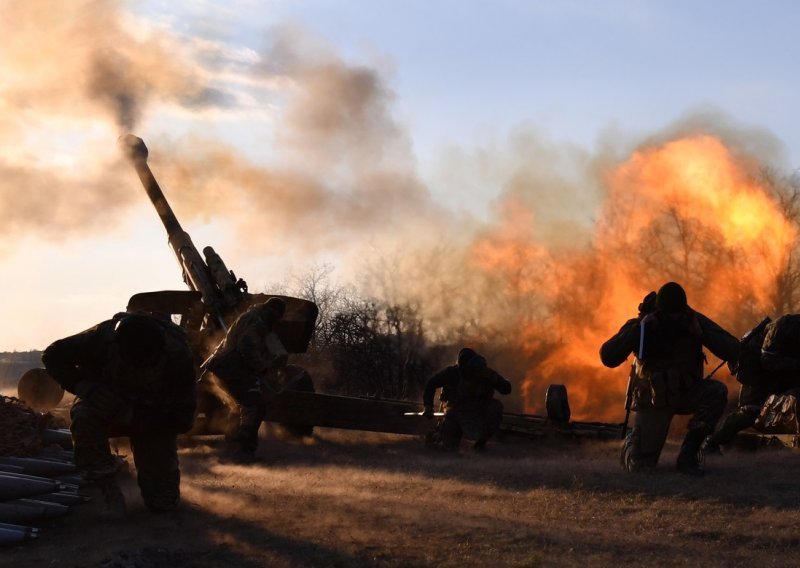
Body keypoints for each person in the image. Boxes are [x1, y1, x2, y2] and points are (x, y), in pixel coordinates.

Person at [41, 312, 197, 517]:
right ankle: (108, 491)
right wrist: (85, 387)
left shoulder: (178, 356)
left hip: (150, 417)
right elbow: (52, 355)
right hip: (105, 405)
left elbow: (183, 419)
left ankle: (158, 490)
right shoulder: (100, 339)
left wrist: (136, 418)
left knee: (163, 503)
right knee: (84, 418)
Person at [599, 282, 739, 476]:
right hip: (654, 399)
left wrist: (702, 334)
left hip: (686, 392)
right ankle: (633, 442)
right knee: (642, 468)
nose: (674, 318)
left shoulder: (692, 320)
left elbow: (734, 350)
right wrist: (639, 331)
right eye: (669, 314)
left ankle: (689, 455)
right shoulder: (644, 323)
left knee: (716, 392)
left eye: (678, 313)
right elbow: (608, 356)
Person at [201, 297, 288, 463]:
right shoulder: (257, 321)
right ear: (274, 312)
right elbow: (246, 347)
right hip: (231, 368)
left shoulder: (252, 316)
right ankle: (241, 452)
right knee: (254, 406)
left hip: (225, 368)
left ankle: (234, 450)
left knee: (240, 407)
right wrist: (262, 367)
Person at [703, 314, 800, 453]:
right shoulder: (783, 326)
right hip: (756, 371)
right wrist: (796, 365)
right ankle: (712, 442)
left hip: (780, 371)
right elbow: (767, 359)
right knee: (749, 413)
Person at [422, 347, 512, 451]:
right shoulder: (453, 373)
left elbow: (506, 389)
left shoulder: (486, 373)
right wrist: (428, 406)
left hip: (479, 411)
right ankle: (442, 438)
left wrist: (494, 379)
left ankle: (480, 444)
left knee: (495, 407)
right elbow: (431, 383)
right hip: (456, 412)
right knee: (448, 448)